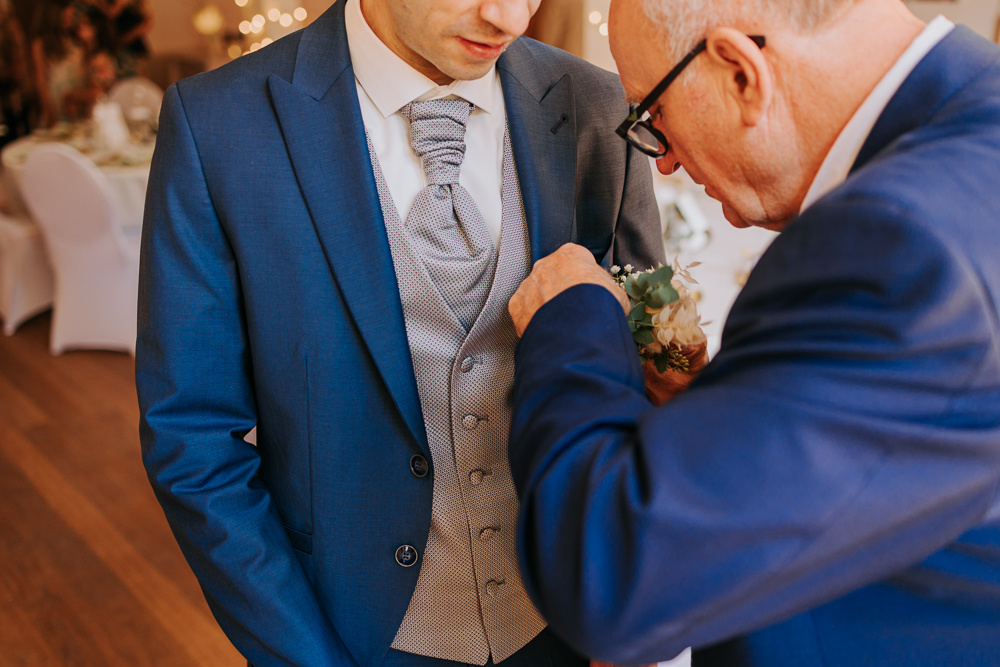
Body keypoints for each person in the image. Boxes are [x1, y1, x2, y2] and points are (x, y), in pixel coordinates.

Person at [135, 0, 663, 665]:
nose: (508, 17)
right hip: (353, 633)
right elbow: (192, 436)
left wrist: (633, 610)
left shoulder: (594, 103)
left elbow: (642, 364)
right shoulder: (220, 125)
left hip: (572, 627)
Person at [504, 0, 1000, 665]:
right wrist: (721, 411)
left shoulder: (899, 245)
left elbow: (614, 577)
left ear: (740, 72)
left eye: (652, 116)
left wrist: (570, 320)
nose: (665, 163)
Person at [31, 1, 116, 126]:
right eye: (67, 16)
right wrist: (48, 112)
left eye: (72, 16)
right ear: (55, 15)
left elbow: (95, 78)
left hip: (79, 100)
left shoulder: (76, 39)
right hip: (56, 99)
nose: (71, 20)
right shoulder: (42, 43)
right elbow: (40, 79)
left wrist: (78, 98)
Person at [0, 0, 33, 147]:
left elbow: (17, 57)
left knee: (17, 128)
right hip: (6, 89)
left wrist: (13, 76)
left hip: (13, 89)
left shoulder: (10, 26)